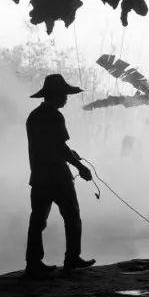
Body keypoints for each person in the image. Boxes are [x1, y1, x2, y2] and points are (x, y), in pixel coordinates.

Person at [25, 73, 96, 278]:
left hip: (39, 177)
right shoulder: (55, 116)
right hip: (57, 176)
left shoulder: (34, 116)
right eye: (64, 95)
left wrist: (71, 155)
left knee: (37, 221)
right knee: (72, 216)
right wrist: (80, 167)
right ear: (55, 95)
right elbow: (59, 147)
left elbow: (50, 146)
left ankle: (33, 263)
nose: (66, 98)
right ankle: (72, 258)